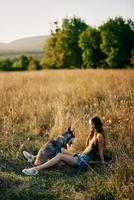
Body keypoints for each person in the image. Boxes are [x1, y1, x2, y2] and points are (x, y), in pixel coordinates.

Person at [22, 116, 105, 176]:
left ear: (96, 125)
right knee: (60, 149)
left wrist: (103, 163)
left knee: (60, 156)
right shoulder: (94, 134)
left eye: (91, 125)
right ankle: (34, 158)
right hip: (81, 155)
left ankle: (36, 170)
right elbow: (89, 149)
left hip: (82, 161)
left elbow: (100, 151)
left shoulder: (99, 136)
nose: (90, 126)